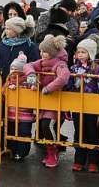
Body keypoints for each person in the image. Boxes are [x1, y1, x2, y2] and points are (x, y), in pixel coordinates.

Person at [66, 37, 99, 173]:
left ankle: (93, 161)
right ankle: (79, 160)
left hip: (93, 104)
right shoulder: (73, 68)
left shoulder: (98, 69)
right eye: (79, 52)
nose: (80, 54)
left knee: (92, 132)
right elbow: (70, 85)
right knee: (79, 131)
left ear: (91, 53)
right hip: (78, 103)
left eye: (84, 52)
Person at [29, 34, 70, 169]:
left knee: (47, 125)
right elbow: (28, 65)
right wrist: (31, 76)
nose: (42, 54)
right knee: (42, 127)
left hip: (55, 103)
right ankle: (49, 150)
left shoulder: (60, 64)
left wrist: (48, 88)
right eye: (41, 51)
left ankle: (53, 151)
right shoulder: (41, 62)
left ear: (52, 52)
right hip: (44, 103)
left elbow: (63, 77)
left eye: (44, 51)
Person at [0, 16, 38, 81]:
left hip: (20, 84)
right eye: (6, 28)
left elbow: (33, 64)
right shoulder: (2, 44)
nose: (5, 31)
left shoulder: (29, 46)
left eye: (9, 29)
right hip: (2, 82)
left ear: (17, 31)